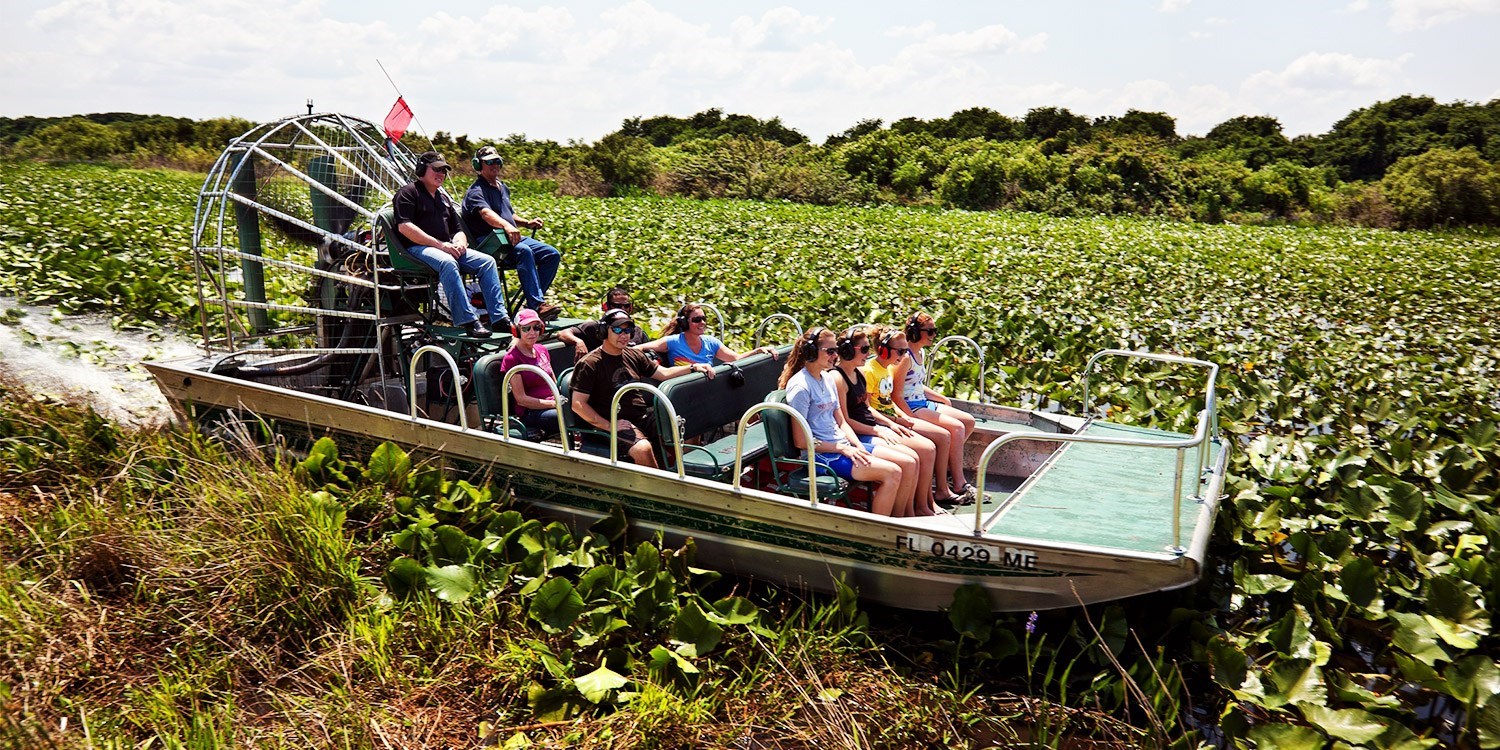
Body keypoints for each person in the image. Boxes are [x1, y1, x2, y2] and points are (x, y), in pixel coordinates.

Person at [778, 327, 910, 517]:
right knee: (892, 473)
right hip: (822, 456)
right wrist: (842, 449)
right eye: (830, 351)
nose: (835, 356)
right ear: (811, 352)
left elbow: (841, 422)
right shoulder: (801, 387)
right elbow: (801, 442)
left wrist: (857, 446)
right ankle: (878, 533)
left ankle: (900, 521)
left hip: (844, 446)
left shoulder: (827, 379)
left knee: (905, 462)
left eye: (836, 351)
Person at [570, 308, 714, 468]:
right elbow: (578, 404)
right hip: (611, 423)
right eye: (617, 330)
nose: (623, 335)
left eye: (628, 330)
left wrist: (693, 367)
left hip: (640, 417)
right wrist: (609, 425)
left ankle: (684, 472)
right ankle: (657, 487)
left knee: (688, 427)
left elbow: (663, 373)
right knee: (643, 449)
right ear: (604, 331)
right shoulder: (590, 363)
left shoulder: (633, 354)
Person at [392, 150, 509, 338]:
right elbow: (405, 227)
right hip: (416, 249)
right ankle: (468, 320)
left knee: (487, 262)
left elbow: (457, 229)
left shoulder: (443, 198)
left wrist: (460, 243)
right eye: (436, 169)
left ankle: (499, 318)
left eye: (444, 171)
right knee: (447, 262)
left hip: (445, 246)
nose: (441, 175)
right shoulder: (407, 193)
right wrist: (441, 246)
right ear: (422, 169)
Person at [829, 325, 939, 516]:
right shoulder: (837, 378)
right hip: (862, 433)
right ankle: (901, 517)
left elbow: (867, 408)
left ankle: (909, 512)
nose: (868, 354)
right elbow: (844, 420)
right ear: (847, 351)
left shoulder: (859, 373)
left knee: (917, 456)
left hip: (873, 427)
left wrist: (891, 423)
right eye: (864, 350)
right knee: (910, 461)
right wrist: (877, 430)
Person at [863, 325, 971, 508]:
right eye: (901, 350)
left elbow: (889, 401)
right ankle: (926, 501)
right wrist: (898, 420)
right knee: (932, 444)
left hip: (894, 418)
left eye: (906, 350)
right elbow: (867, 408)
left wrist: (901, 417)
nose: (905, 355)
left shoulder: (888, 369)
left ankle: (936, 494)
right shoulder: (870, 371)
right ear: (883, 350)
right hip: (884, 423)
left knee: (943, 437)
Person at [462, 145, 563, 320]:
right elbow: (487, 214)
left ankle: (532, 302)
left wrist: (526, 223)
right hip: (489, 242)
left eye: (497, 161)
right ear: (479, 166)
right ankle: (537, 305)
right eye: (489, 162)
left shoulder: (502, 187)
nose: (495, 165)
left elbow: (507, 214)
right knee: (524, 252)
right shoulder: (476, 192)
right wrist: (506, 227)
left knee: (551, 254)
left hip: (508, 237)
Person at [903, 312, 978, 498]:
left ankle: (945, 471)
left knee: (968, 421)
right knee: (957, 428)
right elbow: (897, 392)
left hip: (922, 401)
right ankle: (960, 484)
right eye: (930, 331)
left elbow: (916, 384)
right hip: (912, 406)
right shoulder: (905, 357)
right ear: (915, 332)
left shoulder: (921, 352)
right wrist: (907, 417)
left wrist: (942, 398)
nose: (933, 335)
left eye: (934, 331)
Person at [637, 302, 779, 367]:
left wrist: (758, 350)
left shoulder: (711, 342)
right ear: (685, 323)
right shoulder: (672, 342)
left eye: (705, 319)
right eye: (697, 320)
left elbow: (736, 358)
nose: (703, 323)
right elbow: (640, 348)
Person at [499, 308, 559, 436]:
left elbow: (553, 382)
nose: (532, 333)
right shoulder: (512, 358)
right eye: (526, 329)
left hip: (553, 403)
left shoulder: (542, 350)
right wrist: (554, 404)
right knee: (566, 415)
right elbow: (521, 399)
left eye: (536, 327)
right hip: (531, 412)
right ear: (517, 331)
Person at [557, 286, 650, 357]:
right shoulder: (594, 327)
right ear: (606, 307)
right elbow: (562, 334)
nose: (622, 309)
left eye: (625, 306)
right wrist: (578, 342)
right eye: (617, 306)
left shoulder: (637, 331)